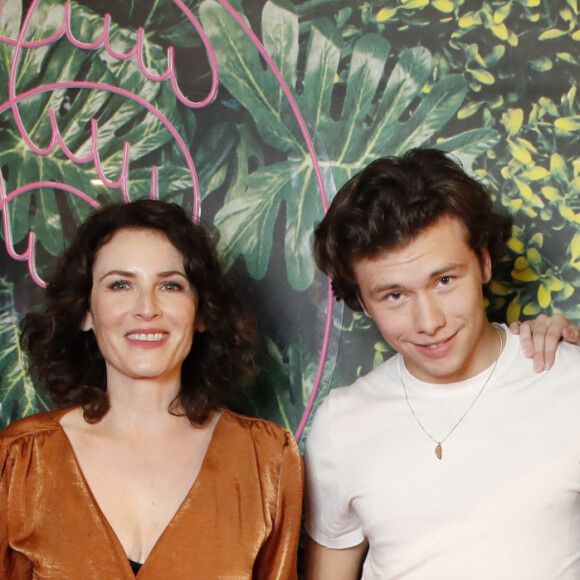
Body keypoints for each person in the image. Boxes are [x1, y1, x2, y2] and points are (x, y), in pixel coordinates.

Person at [304, 148, 580, 579]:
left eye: (445, 281)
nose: (429, 322)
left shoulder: (569, 381)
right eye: (395, 295)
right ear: (362, 302)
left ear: (484, 263)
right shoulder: (342, 424)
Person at [0, 200, 303, 579]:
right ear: (85, 312)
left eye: (171, 285)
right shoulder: (19, 461)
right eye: (121, 284)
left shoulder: (267, 462)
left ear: (202, 312)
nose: (147, 307)